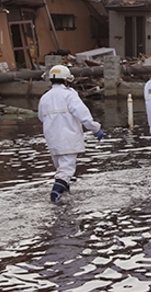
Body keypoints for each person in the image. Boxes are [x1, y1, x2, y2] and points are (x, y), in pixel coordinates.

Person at [38, 65, 103, 203]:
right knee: (66, 171)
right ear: (67, 80)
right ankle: (55, 196)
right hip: (69, 139)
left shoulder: (45, 97)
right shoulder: (69, 95)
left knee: (61, 170)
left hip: (52, 140)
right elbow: (83, 115)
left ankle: (65, 200)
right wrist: (95, 129)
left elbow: (41, 117)